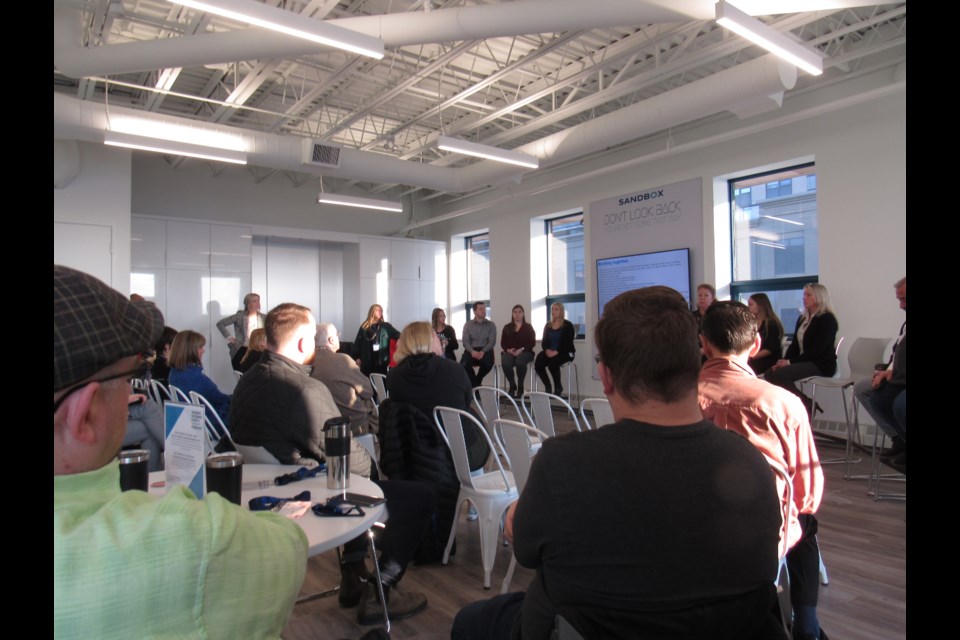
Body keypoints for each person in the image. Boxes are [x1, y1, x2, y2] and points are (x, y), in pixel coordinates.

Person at [452, 286, 782, 640]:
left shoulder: (563, 463)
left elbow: (527, 550)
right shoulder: (751, 463)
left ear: (606, 376)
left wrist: (517, 517)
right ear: (696, 361)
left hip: (574, 626)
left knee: (471, 621)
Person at [54, 265, 306, 638]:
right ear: (84, 414)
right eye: (127, 377)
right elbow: (290, 548)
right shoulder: (193, 537)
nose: (132, 391)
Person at [230, 303, 430, 625]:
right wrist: (378, 473)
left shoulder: (247, 380)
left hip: (276, 485)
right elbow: (355, 463)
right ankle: (381, 592)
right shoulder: (304, 390)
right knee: (416, 497)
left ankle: (352, 577)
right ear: (301, 343)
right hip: (309, 492)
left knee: (345, 476)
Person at [698, 300, 826, 640]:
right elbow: (808, 494)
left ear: (703, 344)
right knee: (806, 521)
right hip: (765, 536)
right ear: (755, 346)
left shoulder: (678, 401)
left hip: (696, 530)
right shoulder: (783, 403)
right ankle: (807, 623)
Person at [381, 322, 484, 564]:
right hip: (454, 452)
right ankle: (474, 507)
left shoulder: (394, 377)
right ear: (430, 341)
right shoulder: (454, 371)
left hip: (412, 456)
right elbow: (467, 403)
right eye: (438, 338)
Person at [854, 277, 906, 473]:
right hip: (899, 377)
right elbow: (896, 354)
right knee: (866, 389)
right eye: (899, 300)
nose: (901, 306)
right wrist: (887, 370)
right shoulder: (905, 324)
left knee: (899, 404)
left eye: (904, 299)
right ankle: (898, 439)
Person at [766, 283, 839, 415]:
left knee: (781, 374)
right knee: (770, 373)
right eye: (804, 294)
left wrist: (789, 363)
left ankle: (805, 404)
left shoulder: (827, 319)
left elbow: (817, 350)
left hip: (821, 364)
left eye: (808, 295)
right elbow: (794, 345)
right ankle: (793, 407)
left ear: (819, 297)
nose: (804, 298)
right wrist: (784, 360)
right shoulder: (802, 318)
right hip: (805, 361)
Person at [311, 322, 379, 434]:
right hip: (352, 427)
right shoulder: (344, 360)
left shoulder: (306, 363)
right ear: (331, 340)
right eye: (337, 334)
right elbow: (368, 391)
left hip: (320, 427)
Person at [168, 329, 232, 426]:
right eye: (200, 347)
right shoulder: (195, 378)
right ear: (190, 350)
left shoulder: (174, 373)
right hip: (212, 424)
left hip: (190, 423)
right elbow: (221, 399)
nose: (204, 350)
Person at [533, 302, 576, 396]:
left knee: (553, 363)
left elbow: (568, 343)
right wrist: (547, 350)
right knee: (539, 362)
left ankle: (558, 387)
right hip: (550, 351)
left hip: (565, 352)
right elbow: (544, 342)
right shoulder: (548, 325)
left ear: (561, 311)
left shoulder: (567, 325)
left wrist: (557, 351)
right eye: (552, 309)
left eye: (556, 309)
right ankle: (547, 386)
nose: (553, 311)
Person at [216, 292, 266, 370]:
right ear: (248, 303)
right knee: (240, 373)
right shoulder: (239, 316)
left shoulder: (264, 317)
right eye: (255, 301)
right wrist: (229, 338)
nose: (258, 303)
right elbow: (220, 324)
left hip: (257, 351)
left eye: (258, 301)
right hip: (241, 349)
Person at [351, 303, 401, 376]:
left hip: (382, 361)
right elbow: (357, 343)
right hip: (367, 360)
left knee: (380, 380)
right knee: (367, 381)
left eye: (381, 310)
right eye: (377, 310)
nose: (380, 312)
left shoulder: (386, 326)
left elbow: (399, 335)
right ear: (372, 312)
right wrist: (356, 357)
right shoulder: (364, 327)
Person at [500, 304, 536, 398]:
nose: (517, 314)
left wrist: (522, 349)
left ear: (523, 314)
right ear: (512, 314)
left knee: (520, 361)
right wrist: (508, 350)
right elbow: (503, 343)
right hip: (510, 352)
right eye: (515, 312)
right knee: (506, 362)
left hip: (526, 352)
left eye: (520, 312)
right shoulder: (507, 327)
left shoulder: (528, 327)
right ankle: (512, 385)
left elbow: (532, 343)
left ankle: (520, 386)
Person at [460, 301, 497, 387]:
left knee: (488, 364)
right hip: (471, 350)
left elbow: (492, 342)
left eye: (484, 308)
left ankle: (477, 381)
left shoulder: (491, 325)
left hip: (486, 350)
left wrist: (483, 351)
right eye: (480, 309)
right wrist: (472, 351)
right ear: (474, 311)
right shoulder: (468, 325)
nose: (484, 311)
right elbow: (465, 341)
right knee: (464, 364)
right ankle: (476, 385)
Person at [747, 293, 785, 376]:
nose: (748, 307)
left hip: (766, 360)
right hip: (753, 358)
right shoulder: (751, 323)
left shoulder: (772, 324)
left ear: (760, 306)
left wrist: (750, 357)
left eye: (750, 304)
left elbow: (770, 349)